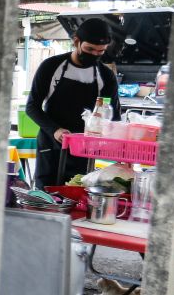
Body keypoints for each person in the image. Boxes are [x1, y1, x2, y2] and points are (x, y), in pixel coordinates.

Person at [26, 17, 121, 189]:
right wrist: (55, 130)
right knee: (46, 197)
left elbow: (115, 117)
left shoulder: (106, 76)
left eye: (100, 51)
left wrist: (119, 153)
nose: (94, 55)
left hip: (85, 150)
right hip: (51, 145)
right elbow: (32, 107)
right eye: (89, 49)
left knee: (76, 196)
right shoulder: (50, 66)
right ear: (76, 41)